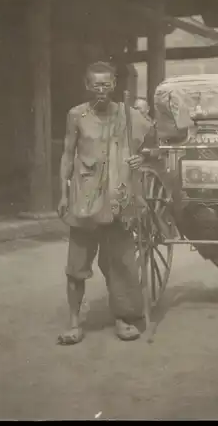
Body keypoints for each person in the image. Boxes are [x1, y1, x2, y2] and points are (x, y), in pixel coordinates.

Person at [57, 61, 153, 345]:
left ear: (114, 85)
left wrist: (143, 157)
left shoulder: (128, 114)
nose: (101, 90)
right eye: (96, 85)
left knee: (120, 263)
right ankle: (74, 323)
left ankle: (123, 319)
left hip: (119, 196)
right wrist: (63, 193)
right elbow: (66, 154)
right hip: (84, 199)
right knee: (76, 265)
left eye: (107, 84)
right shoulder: (76, 115)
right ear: (87, 86)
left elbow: (153, 141)